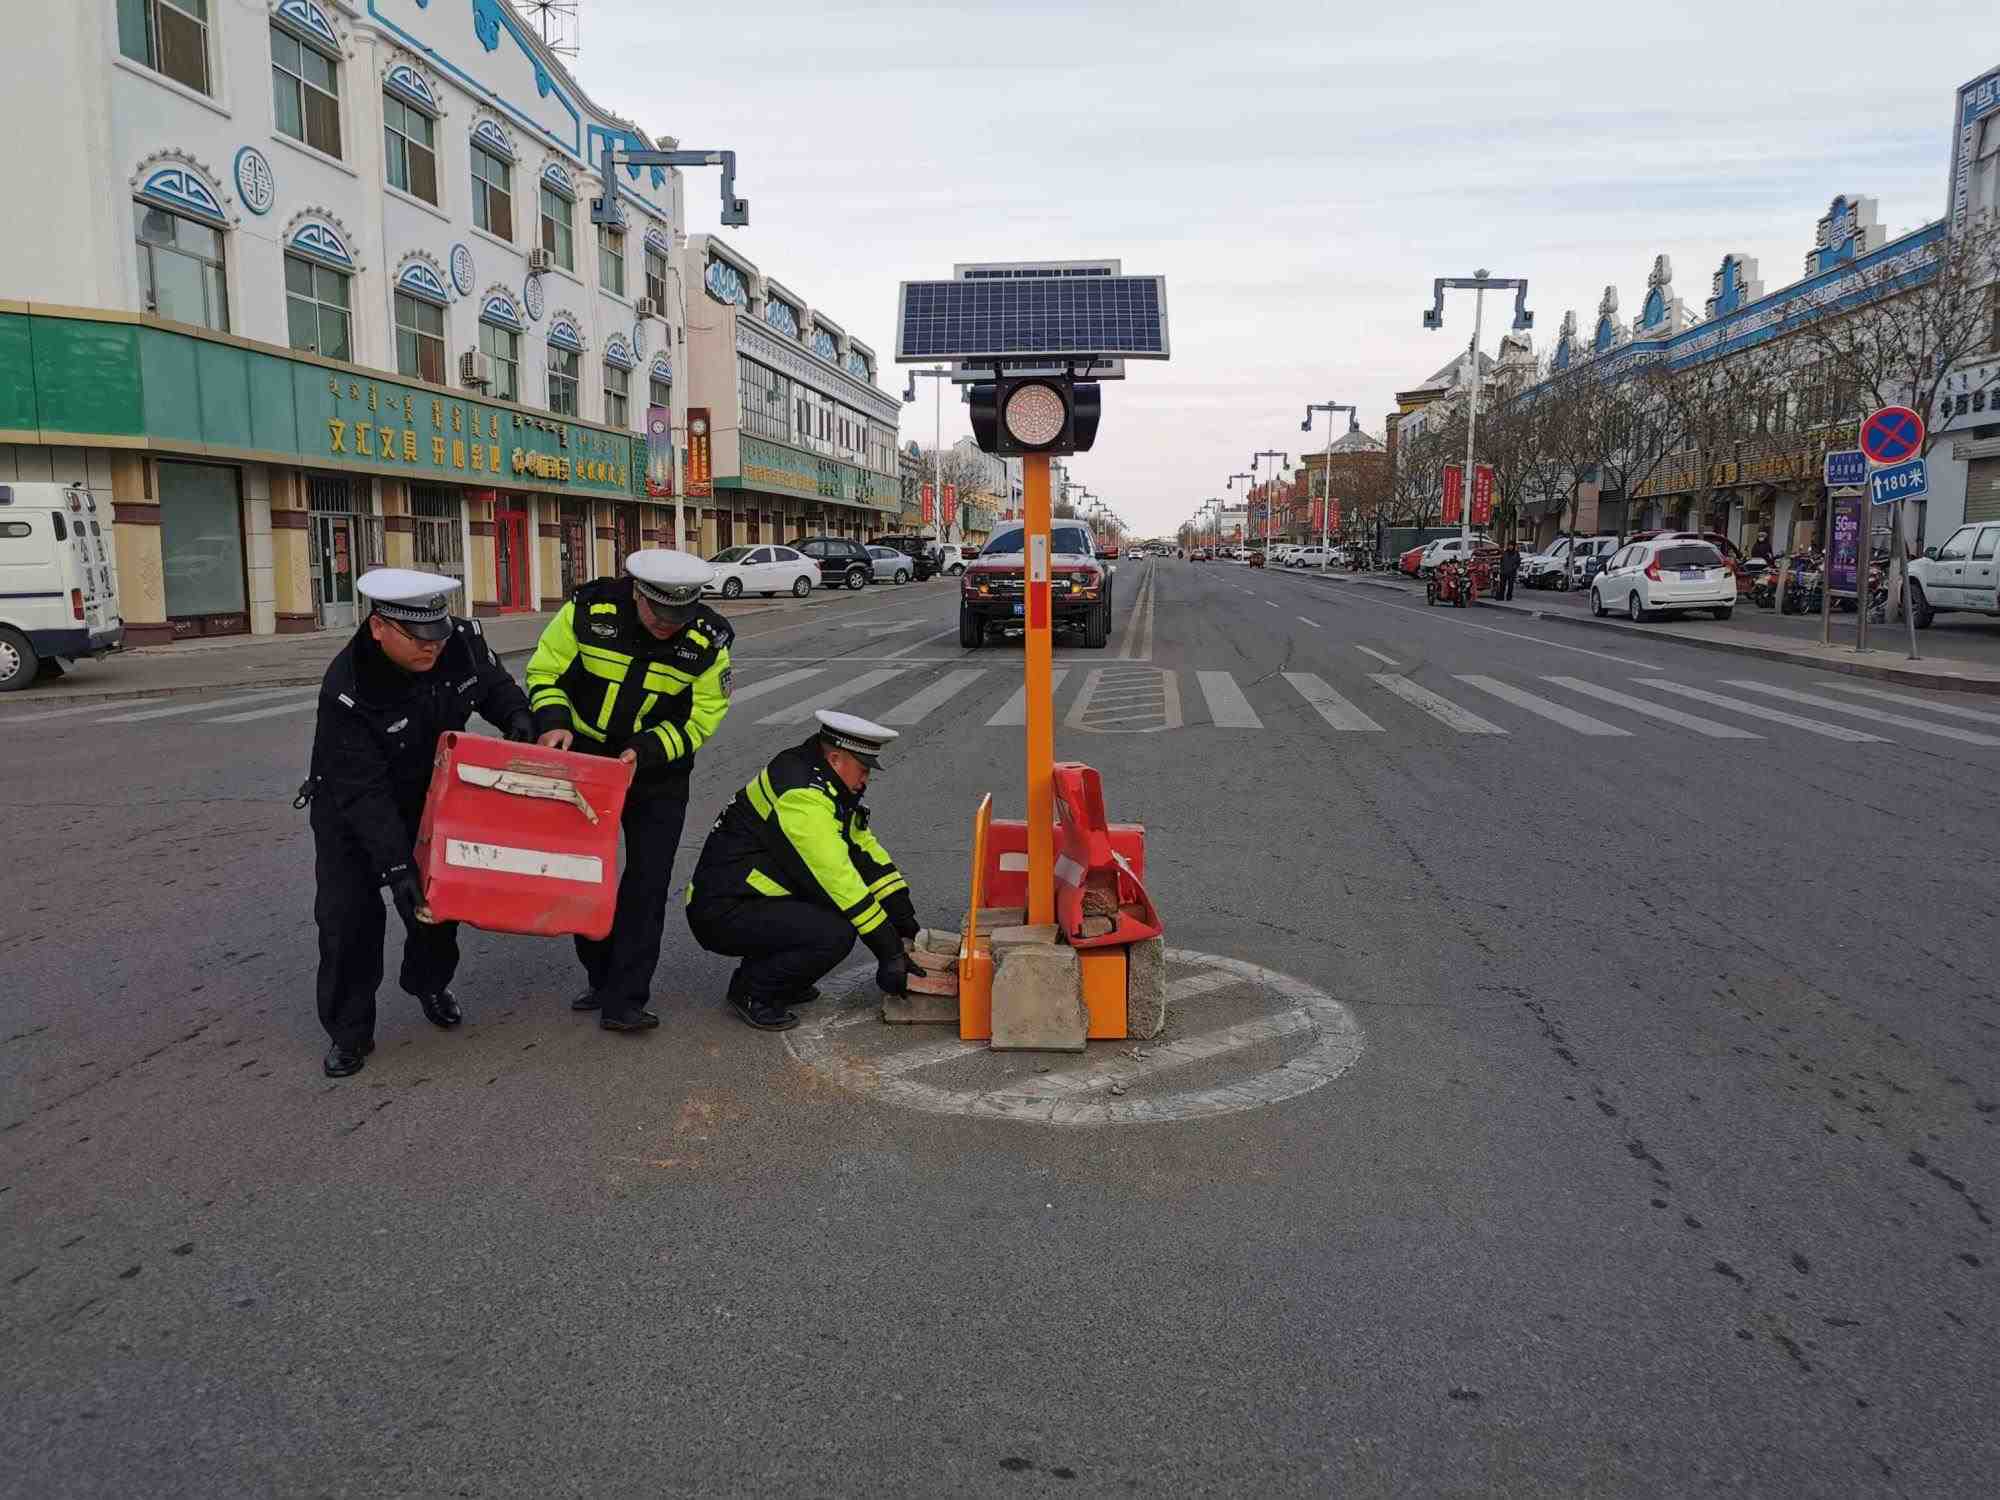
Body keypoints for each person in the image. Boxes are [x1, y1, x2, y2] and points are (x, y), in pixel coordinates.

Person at [301, 569, 533, 1079]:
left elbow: (493, 686)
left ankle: (428, 983)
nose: (432, 646)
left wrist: (517, 716)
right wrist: (395, 866)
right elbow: (364, 793)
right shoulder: (347, 686)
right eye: (418, 637)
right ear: (379, 627)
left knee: (435, 912)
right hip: (352, 811)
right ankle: (349, 1032)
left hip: (430, 798)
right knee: (348, 922)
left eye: (438, 634)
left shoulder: (459, 642)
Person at [525, 549, 731, 1032]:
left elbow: (702, 717)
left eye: (679, 615)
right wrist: (553, 721)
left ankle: (626, 999)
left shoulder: (708, 639)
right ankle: (601, 976)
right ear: (637, 592)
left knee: (647, 884)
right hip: (587, 760)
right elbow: (545, 672)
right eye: (659, 613)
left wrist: (646, 751)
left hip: (657, 771)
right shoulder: (588, 611)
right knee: (580, 874)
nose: (668, 625)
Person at [686, 711, 922, 1032]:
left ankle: (783, 979)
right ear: (836, 759)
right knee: (834, 933)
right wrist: (890, 952)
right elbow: (840, 879)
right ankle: (754, 990)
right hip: (724, 907)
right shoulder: (803, 797)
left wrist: (905, 921)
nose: (865, 779)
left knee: (832, 917)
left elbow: (864, 851)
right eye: (863, 769)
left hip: (750, 893)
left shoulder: (820, 777)